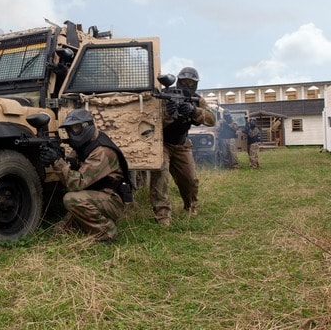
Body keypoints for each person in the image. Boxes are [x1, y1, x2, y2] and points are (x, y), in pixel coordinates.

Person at [39, 109, 132, 243]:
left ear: (86, 126)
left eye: (76, 128)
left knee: (71, 199)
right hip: (96, 196)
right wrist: (60, 157)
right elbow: (74, 165)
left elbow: (76, 183)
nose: (72, 133)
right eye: (69, 129)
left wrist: (57, 162)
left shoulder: (102, 151)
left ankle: (106, 232)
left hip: (112, 201)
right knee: (60, 231)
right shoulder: (86, 145)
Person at [150, 67, 216, 225]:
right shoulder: (165, 95)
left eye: (190, 83)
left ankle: (190, 207)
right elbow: (151, 118)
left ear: (195, 85)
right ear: (178, 81)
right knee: (160, 178)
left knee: (190, 180)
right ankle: (162, 216)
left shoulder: (197, 99)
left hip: (181, 144)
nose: (186, 86)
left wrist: (193, 111)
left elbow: (211, 119)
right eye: (183, 82)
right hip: (162, 143)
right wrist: (168, 113)